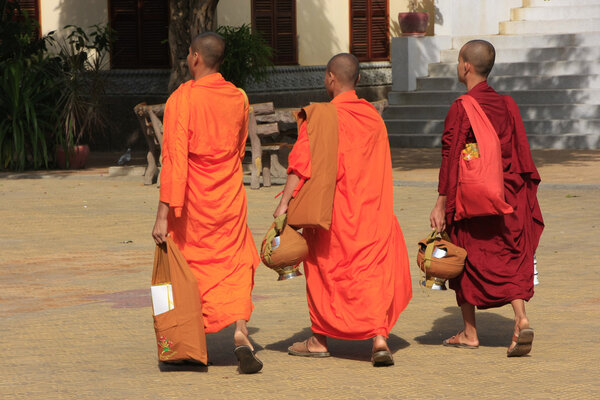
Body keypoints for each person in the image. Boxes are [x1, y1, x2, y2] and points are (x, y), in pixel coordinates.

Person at [273, 53, 412, 367]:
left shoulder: (322, 117)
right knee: (373, 274)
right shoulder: (373, 117)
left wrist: (284, 204)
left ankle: (319, 339)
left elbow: (300, 166)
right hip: (372, 214)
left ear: (329, 78)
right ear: (359, 80)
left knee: (326, 273)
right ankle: (379, 339)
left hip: (333, 216)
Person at [152, 32, 262, 373]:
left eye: (188, 53)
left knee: (192, 269)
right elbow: (240, 147)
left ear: (196, 58)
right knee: (235, 262)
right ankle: (241, 333)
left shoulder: (181, 99)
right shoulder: (239, 97)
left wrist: (162, 214)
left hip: (193, 204)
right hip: (229, 197)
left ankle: (189, 342)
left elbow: (173, 160)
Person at [429, 40, 544, 357]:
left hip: (474, 201)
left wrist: (441, 201)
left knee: (464, 256)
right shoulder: (507, 104)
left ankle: (469, 332)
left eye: (458, 61)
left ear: (465, 65)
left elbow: (451, 156)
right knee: (510, 256)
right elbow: (520, 154)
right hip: (508, 196)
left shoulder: (462, 106)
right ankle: (520, 319)